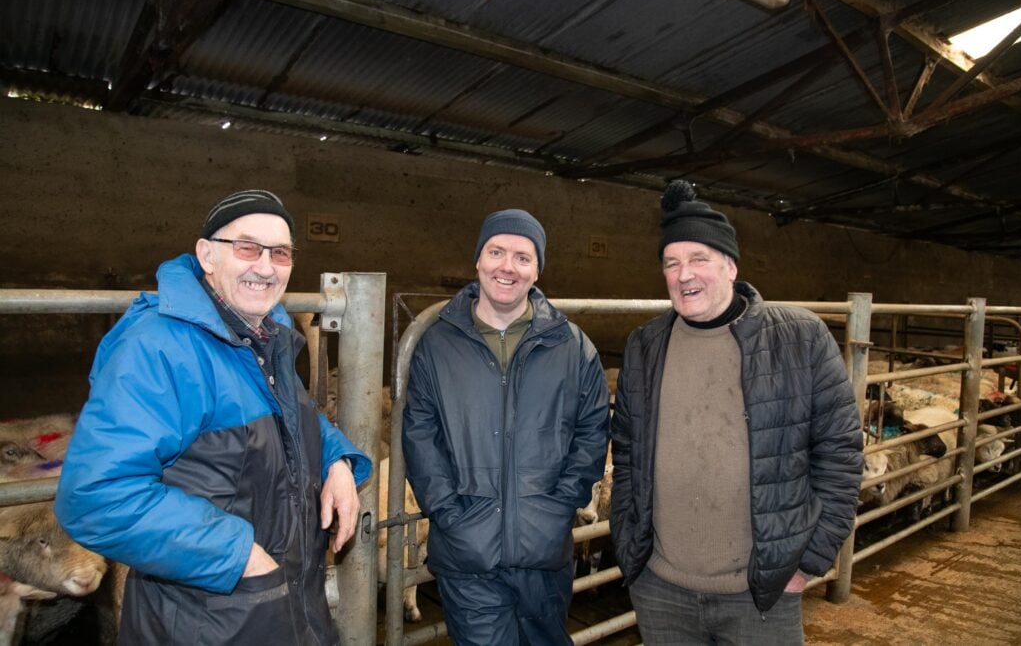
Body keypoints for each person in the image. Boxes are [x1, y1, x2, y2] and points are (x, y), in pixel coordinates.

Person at [55, 190, 371, 645]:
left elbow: (291, 416)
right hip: (205, 618)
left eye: (280, 253)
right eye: (246, 247)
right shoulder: (158, 347)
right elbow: (95, 496)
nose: (265, 266)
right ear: (206, 255)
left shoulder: (265, 335)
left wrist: (334, 460)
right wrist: (237, 554)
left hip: (288, 605)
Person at [610, 180, 864, 645]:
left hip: (761, 593)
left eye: (699, 259)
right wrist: (634, 553)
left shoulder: (800, 338)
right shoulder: (645, 346)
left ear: (730, 266)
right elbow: (626, 452)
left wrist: (808, 562)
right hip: (662, 588)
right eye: (672, 263)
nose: (684, 274)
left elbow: (841, 454)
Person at [402, 209, 609, 645]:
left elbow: (592, 431)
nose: (507, 267)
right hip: (467, 551)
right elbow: (421, 436)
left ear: (537, 271)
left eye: (522, 257)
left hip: (544, 549)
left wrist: (559, 506)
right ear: (478, 260)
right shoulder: (437, 345)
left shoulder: (571, 346)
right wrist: (448, 513)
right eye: (496, 251)